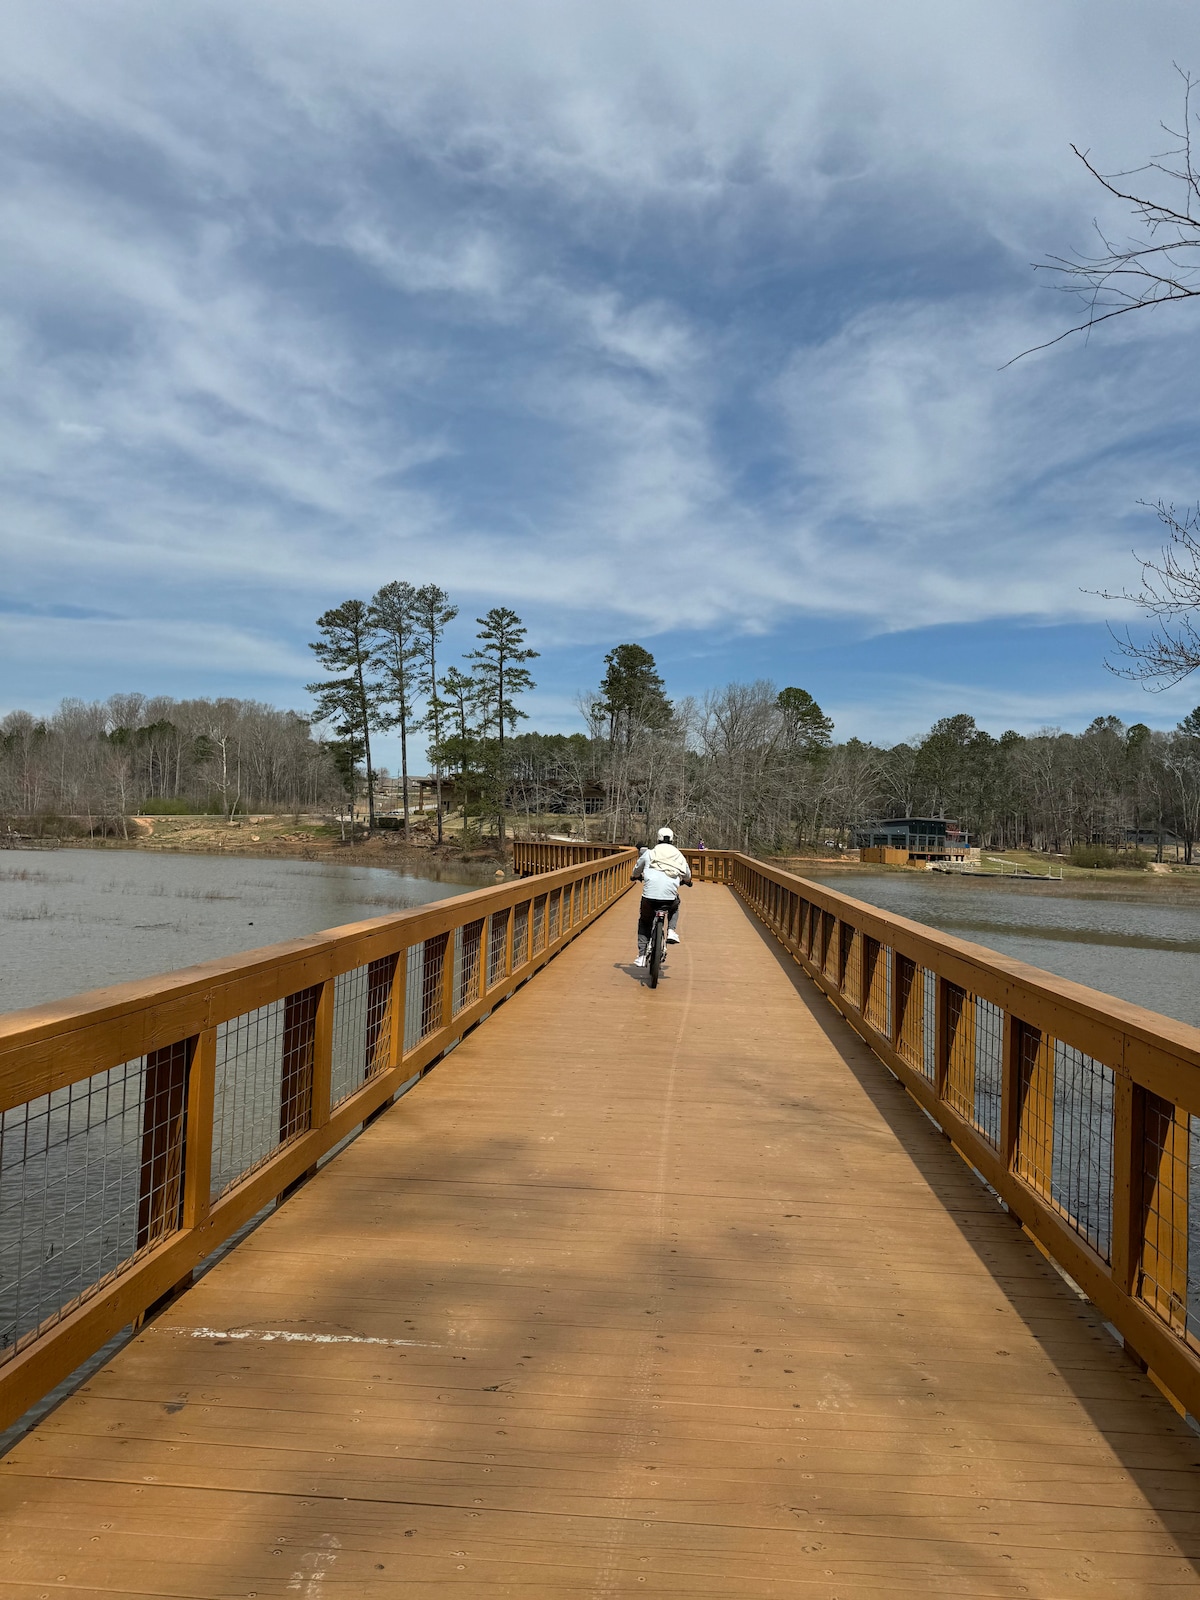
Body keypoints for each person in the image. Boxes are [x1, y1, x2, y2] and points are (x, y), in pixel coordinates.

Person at [631, 826, 692, 965]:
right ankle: (671, 930)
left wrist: (635, 876)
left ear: (657, 839)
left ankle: (642, 955)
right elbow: (687, 874)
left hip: (649, 897)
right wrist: (687, 881)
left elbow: (637, 869)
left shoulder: (649, 853)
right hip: (669, 898)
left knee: (645, 921)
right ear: (672, 839)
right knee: (674, 906)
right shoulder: (678, 855)